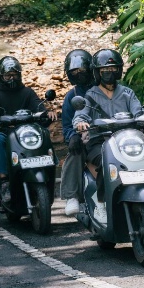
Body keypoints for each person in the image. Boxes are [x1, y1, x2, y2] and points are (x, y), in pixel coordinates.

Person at [73, 49, 144, 225]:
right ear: (97, 72)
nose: (110, 72)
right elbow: (81, 114)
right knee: (105, 162)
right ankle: (101, 203)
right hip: (100, 142)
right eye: (105, 70)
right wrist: (80, 122)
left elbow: (139, 112)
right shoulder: (91, 95)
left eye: (113, 68)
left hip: (127, 141)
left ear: (119, 70)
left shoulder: (127, 93)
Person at [0, 56, 57, 202]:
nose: (12, 78)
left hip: (27, 132)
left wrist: (47, 113)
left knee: (44, 133)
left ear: (20, 75)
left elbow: (38, 107)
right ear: (1, 76)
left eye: (15, 75)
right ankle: (4, 180)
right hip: (5, 132)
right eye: (8, 75)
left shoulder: (27, 92)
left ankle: (49, 170)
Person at [61, 49, 95, 216]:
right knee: (75, 153)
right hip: (87, 138)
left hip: (113, 134)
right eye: (74, 72)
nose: (78, 74)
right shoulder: (71, 96)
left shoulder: (104, 88)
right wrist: (73, 136)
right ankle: (72, 196)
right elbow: (67, 125)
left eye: (82, 70)